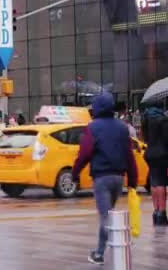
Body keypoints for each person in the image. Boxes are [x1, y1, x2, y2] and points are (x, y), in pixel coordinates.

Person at [72, 93, 138, 265]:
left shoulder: (93, 127)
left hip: (102, 178)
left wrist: (75, 172)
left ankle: (100, 253)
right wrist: (132, 180)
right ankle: (109, 248)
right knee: (109, 215)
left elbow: (85, 153)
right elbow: (129, 155)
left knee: (105, 217)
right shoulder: (123, 127)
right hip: (118, 179)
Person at [141, 105, 168, 225]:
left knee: (154, 181)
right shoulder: (162, 120)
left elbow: (145, 138)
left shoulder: (146, 118)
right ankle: (162, 213)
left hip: (150, 153)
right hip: (161, 154)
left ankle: (156, 211)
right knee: (161, 183)